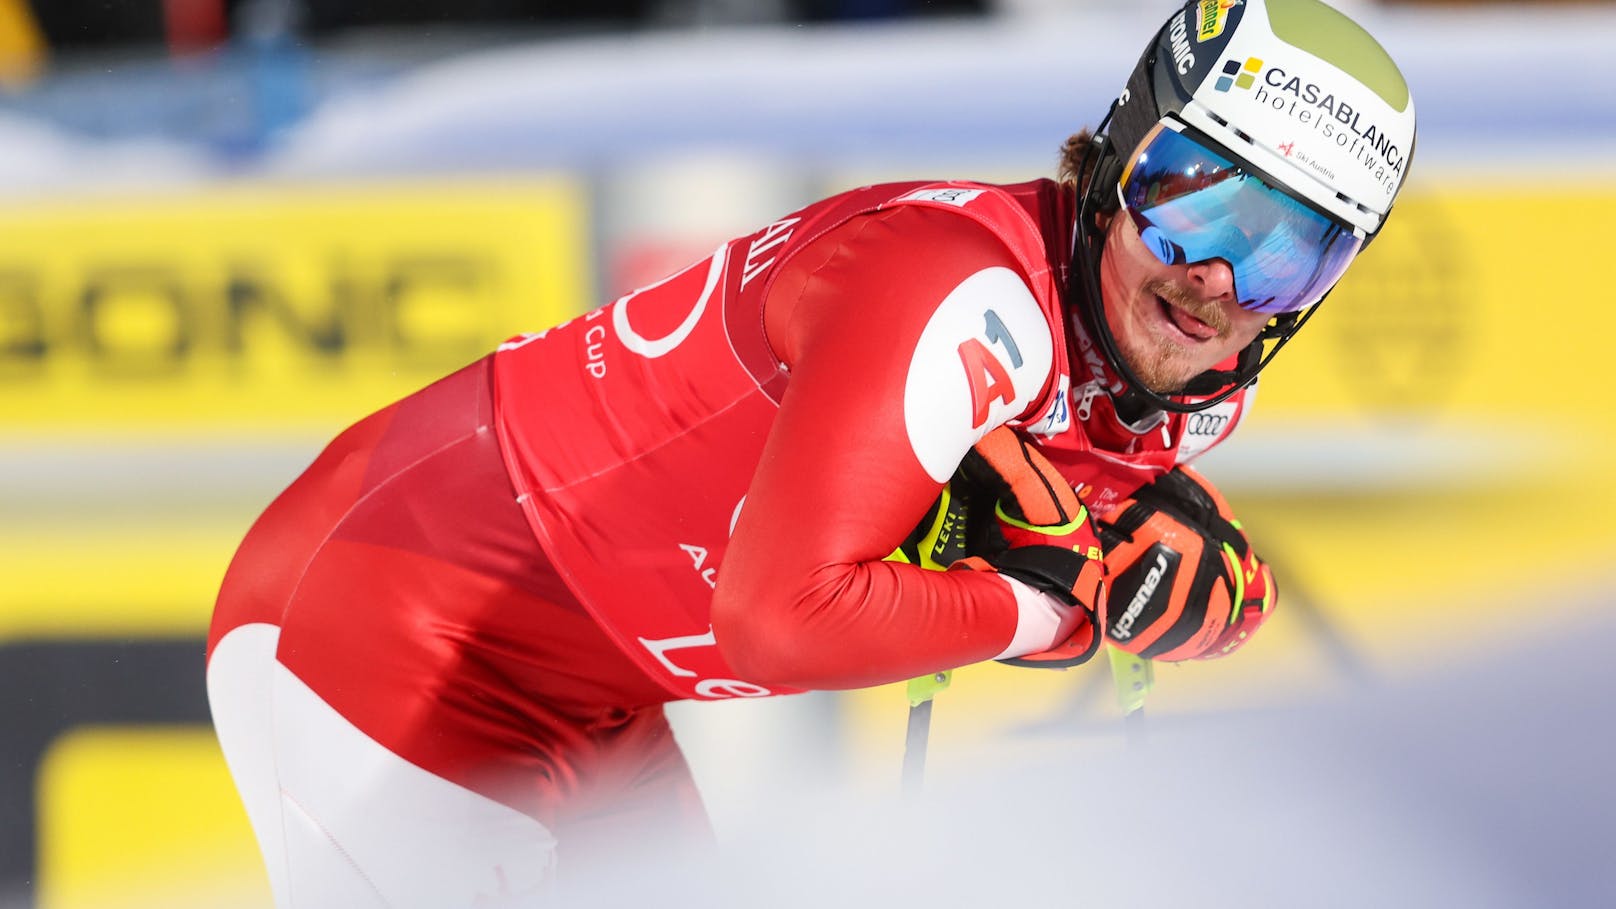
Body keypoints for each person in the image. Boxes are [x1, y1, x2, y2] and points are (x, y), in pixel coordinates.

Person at [205, 0, 1416, 904]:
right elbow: (780, 618)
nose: (1213, 277)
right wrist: (1058, 615)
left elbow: (1102, 550)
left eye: (1286, 252)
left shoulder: (1173, 370)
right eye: (1191, 202)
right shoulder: (958, 292)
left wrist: (1202, 602)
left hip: (583, 681)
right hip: (392, 619)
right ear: (1113, 156)